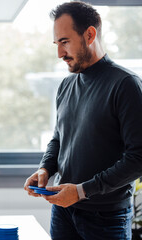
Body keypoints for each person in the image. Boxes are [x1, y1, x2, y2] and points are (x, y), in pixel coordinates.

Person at [23, 2, 142, 239]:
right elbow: (59, 138)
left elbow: (138, 158)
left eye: (65, 42)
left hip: (106, 218)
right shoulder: (66, 86)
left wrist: (81, 191)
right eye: (57, 44)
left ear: (89, 34)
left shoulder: (126, 85)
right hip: (63, 211)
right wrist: (45, 168)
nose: (59, 53)